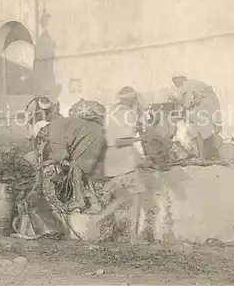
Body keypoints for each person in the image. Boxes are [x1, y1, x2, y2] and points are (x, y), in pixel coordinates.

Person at [96, 86, 150, 244]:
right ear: (132, 99)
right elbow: (121, 141)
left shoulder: (111, 111)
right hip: (125, 159)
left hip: (111, 159)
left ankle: (99, 218)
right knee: (137, 198)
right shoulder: (129, 113)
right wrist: (141, 139)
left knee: (122, 197)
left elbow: (111, 135)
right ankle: (133, 237)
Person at [35, 115, 106, 213]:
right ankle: (94, 203)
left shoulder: (53, 132)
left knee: (76, 167)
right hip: (96, 134)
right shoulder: (56, 125)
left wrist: (43, 163)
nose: (42, 139)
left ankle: (79, 201)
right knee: (83, 170)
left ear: (43, 129)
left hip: (90, 137)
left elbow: (62, 154)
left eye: (40, 136)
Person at [169, 76, 222, 160]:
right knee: (203, 129)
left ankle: (202, 156)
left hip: (207, 105)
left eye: (175, 82)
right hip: (210, 105)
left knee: (197, 128)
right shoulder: (193, 83)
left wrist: (176, 100)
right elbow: (190, 103)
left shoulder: (187, 85)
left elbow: (187, 103)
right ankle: (208, 153)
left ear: (180, 79)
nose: (176, 85)